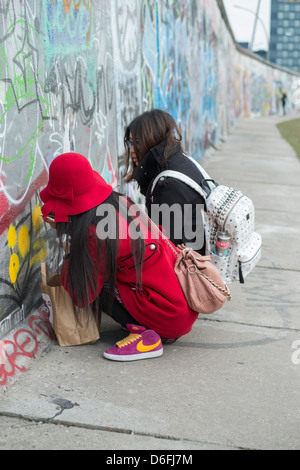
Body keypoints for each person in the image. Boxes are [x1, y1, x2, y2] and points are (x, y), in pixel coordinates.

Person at [40, 152, 199, 361]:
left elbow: (82, 296)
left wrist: (70, 252)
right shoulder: (120, 203)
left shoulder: (96, 234)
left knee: (87, 277)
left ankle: (146, 335)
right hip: (178, 304)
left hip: (167, 318)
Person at [123, 109, 207, 254]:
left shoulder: (167, 185)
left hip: (190, 269)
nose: (131, 150)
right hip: (199, 257)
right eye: (130, 142)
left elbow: (165, 250)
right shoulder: (182, 161)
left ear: (152, 140)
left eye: (137, 142)